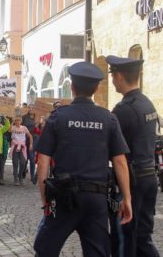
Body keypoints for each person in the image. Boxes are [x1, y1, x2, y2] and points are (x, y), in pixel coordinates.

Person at [33, 61, 132, 256]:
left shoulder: (57, 117)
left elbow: (43, 160)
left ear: (71, 87)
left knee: (45, 250)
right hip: (96, 199)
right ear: (96, 88)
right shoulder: (108, 118)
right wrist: (127, 198)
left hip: (64, 197)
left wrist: (44, 196)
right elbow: (120, 161)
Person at [106, 55, 160, 257]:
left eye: (112, 76)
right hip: (149, 177)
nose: (112, 81)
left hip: (130, 181)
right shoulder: (147, 103)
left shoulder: (123, 110)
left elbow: (111, 149)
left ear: (119, 76)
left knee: (124, 237)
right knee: (142, 237)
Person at [9, 117, 33, 186]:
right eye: (16, 120)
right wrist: (12, 122)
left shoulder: (24, 128)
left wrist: (31, 144)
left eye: (18, 120)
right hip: (15, 147)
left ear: (21, 121)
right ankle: (16, 179)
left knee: (23, 162)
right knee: (15, 163)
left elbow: (30, 136)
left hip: (22, 147)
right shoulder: (13, 127)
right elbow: (9, 130)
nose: (17, 122)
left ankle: (20, 176)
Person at [22, 111, 38, 184]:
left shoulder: (38, 117)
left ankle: (32, 175)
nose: (31, 109)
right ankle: (23, 170)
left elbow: (41, 129)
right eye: (30, 107)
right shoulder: (24, 117)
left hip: (34, 138)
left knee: (31, 157)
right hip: (25, 138)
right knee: (25, 157)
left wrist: (39, 125)